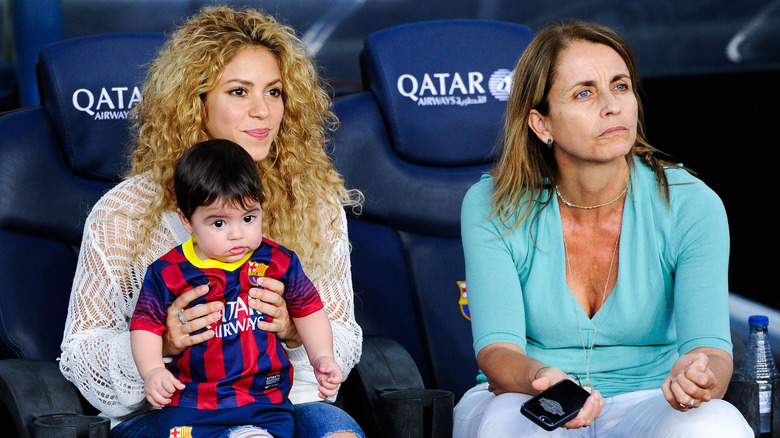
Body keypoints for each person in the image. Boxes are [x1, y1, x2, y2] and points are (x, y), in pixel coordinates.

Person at [59, 6, 365, 438]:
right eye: (239, 92)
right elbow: (80, 359)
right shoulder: (124, 211)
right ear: (195, 102)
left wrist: (293, 330)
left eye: (274, 92)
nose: (263, 111)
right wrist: (163, 342)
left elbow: (345, 338)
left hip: (282, 403)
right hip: (168, 414)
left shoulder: (313, 201)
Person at [453, 21, 752, 437]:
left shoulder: (691, 203)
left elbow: (712, 350)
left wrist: (700, 375)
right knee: (514, 424)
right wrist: (546, 380)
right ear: (542, 124)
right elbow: (498, 352)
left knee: (715, 424)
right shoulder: (492, 204)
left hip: (649, 400)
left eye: (621, 86)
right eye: (584, 93)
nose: (612, 106)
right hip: (533, 395)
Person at [130, 139, 342, 438]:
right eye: (218, 223)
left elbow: (309, 308)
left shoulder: (278, 261)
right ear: (187, 221)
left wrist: (322, 356)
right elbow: (145, 325)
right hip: (194, 406)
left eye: (248, 217)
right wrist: (152, 370)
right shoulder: (168, 272)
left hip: (265, 401)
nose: (237, 234)